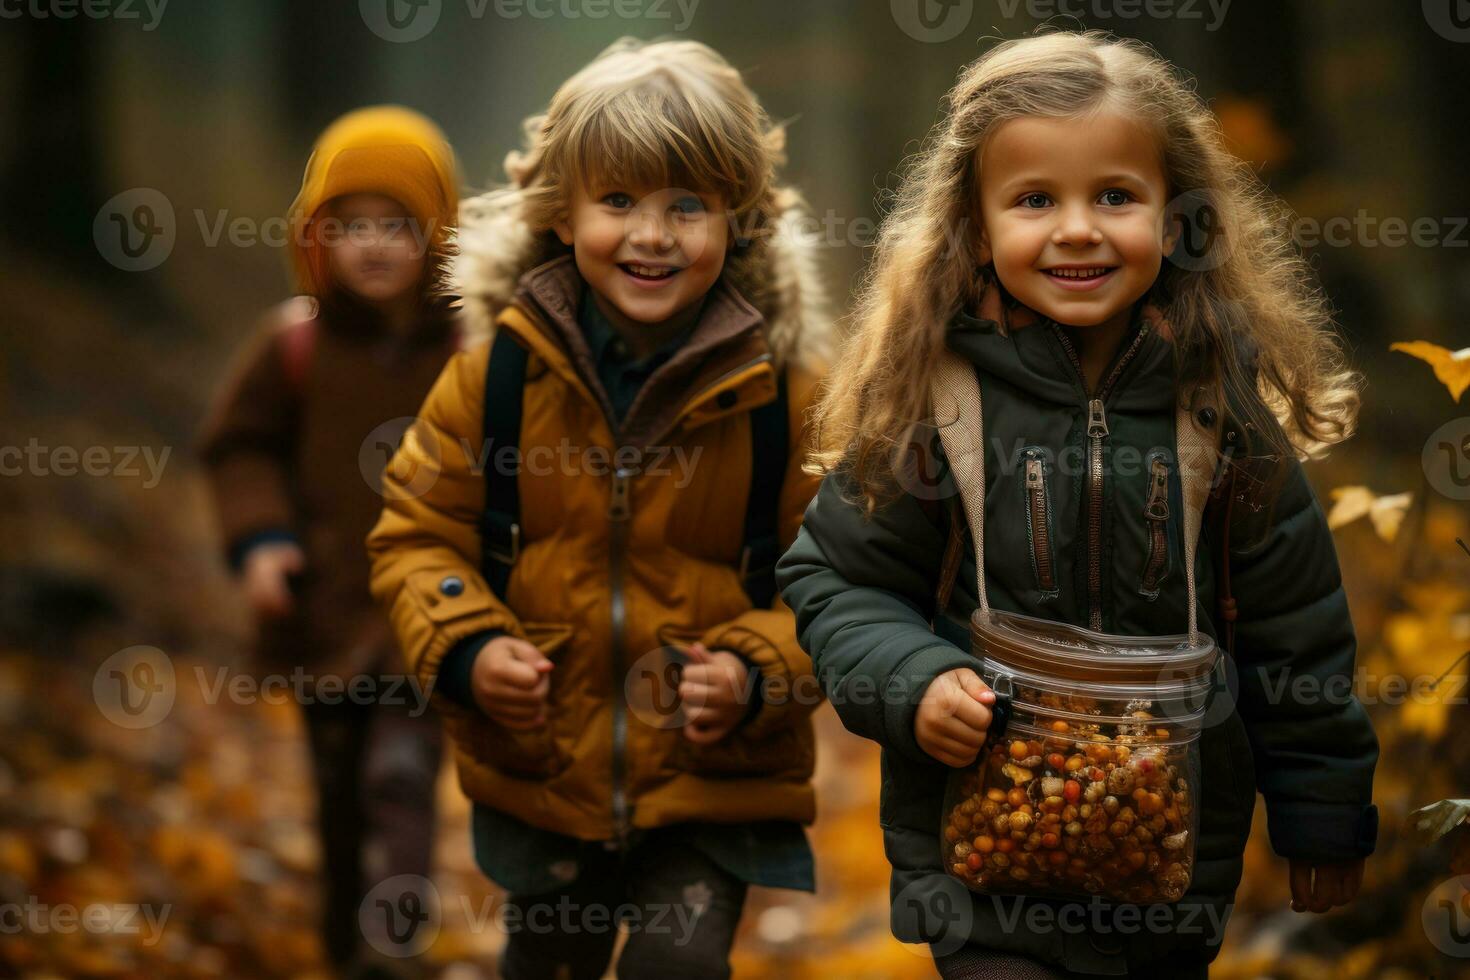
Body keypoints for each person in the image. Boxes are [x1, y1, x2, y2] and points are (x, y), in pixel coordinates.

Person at [775, 29, 1379, 978]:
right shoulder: (936, 401)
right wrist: (913, 680)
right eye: (1033, 200)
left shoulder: (1219, 410)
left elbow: (1293, 634)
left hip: (1170, 867)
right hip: (978, 865)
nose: (1077, 228)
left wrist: (1324, 814)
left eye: (1114, 196)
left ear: (1178, 218)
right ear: (974, 226)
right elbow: (837, 576)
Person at [366, 38, 831, 979]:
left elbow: (844, 580)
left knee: (678, 965)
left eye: (686, 206)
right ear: (562, 211)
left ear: (737, 221)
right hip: (546, 770)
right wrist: (466, 641)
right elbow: (418, 534)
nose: (651, 236)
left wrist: (757, 669)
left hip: (713, 778)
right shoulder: (494, 377)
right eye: (618, 201)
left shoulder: (787, 399)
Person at [197, 105, 461, 977]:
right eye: (350, 226)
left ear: (441, 235)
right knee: (339, 790)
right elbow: (241, 447)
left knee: (401, 773)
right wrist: (263, 540)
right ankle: (344, 946)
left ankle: (395, 944)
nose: (374, 245)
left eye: (398, 225)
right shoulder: (294, 347)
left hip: (432, 615)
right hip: (326, 613)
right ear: (316, 236)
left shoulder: (471, 349)